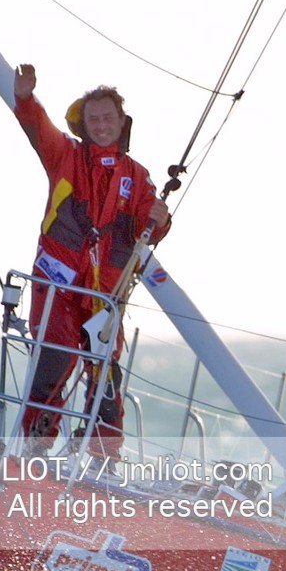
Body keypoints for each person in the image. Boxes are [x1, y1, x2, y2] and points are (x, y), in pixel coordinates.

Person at [12, 63, 170, 456]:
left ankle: (103, 458)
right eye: (94, 118)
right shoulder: (64, 154)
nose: (101, 125)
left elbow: (145, 231)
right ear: (84, 123)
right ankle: (37, 446)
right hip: (59, 281)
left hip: (105, 291)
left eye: (108, 118)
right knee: (54, 357)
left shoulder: (138, 175)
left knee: (105, 372)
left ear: (122, 122)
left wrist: (161, 220)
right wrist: (25, 98)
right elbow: (38, 129)